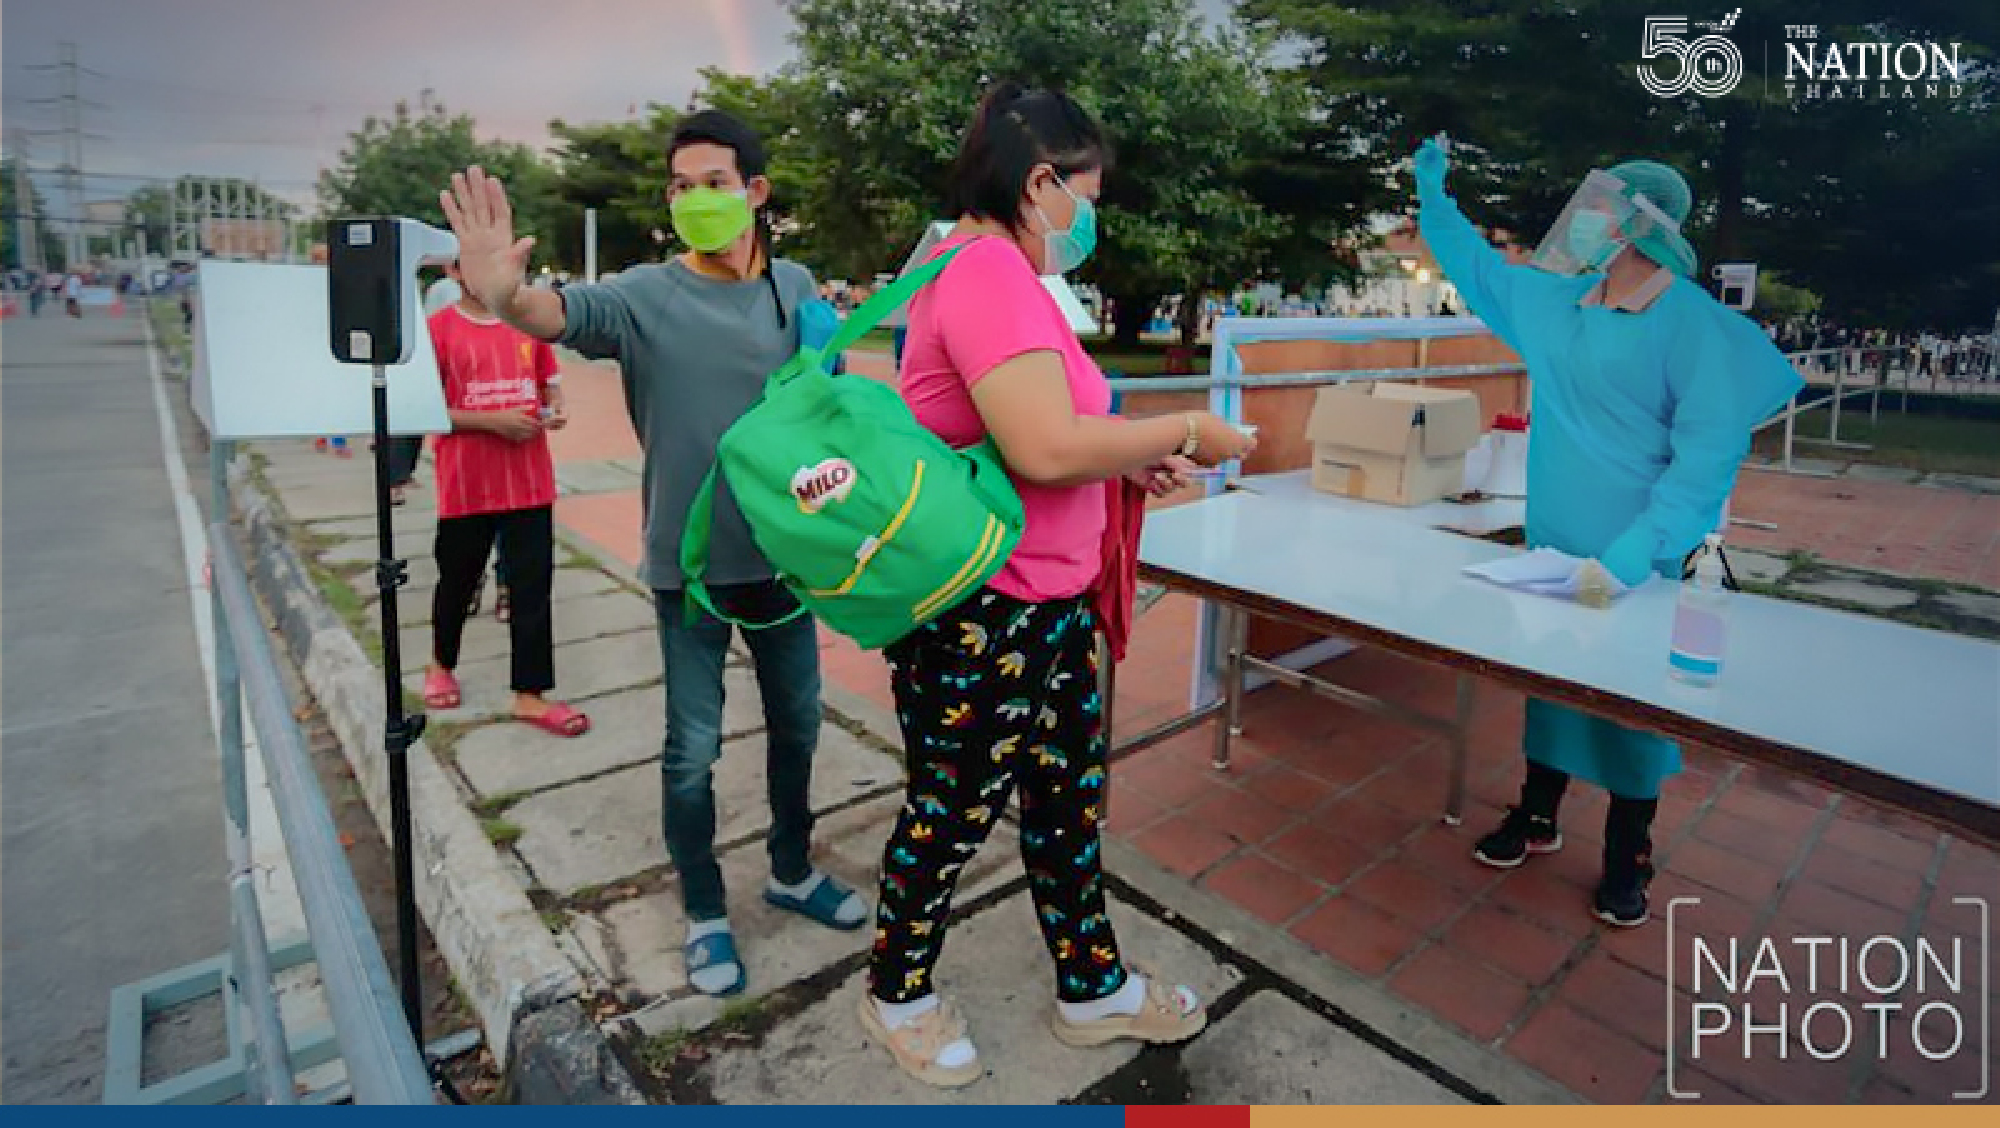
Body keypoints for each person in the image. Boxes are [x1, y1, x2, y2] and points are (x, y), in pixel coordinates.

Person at [855, 83, 1255, 1088]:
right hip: (987, 619)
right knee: (949, 813)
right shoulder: (987, 269)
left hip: (1040, 607)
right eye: (1087, 192)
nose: (1090, 214)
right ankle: (895, 990)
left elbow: (1033, 431)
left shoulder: (976, 266)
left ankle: (1093, 988)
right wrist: (1180, 430)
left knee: (1065, 806)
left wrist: (1117, 459)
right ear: (1040, 184)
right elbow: (1039, 443)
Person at [440, 109, 865, 998]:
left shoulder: (796, 285)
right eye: (680, 187)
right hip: (692, 572)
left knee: (799, 727)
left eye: (712, 183)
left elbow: (831, 412)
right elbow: (560, 313)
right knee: (690, 751)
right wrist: (506, 294)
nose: (692, 200)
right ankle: (705, 908)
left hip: (789, 567)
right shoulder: (642, 295)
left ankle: (791, 869)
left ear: (754, 191)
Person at [1413, 137, 1800, 928]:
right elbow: (1476, 268)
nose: (1580, 218)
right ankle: (1539, 812)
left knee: (1633, 712)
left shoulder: (1697, 331)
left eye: (1599, 207)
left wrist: (1624, 563)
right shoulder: (1559, 305)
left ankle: (1629, 852)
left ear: (1636, 226)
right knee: (1550, 686)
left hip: (1645, 562)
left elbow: (1701, 472)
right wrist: (1432, 193)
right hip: (1552, 548)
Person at [418, 259, 589, 739]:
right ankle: (439, 664)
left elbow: (551, 390)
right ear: (455, 271)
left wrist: (554, 412)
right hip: (467, 485)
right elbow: (425, 409)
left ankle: (530, 695)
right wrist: (494, 423)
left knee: (531, 590)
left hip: (529, 483)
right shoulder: (437, 330)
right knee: (457, 581)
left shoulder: (528, 327)